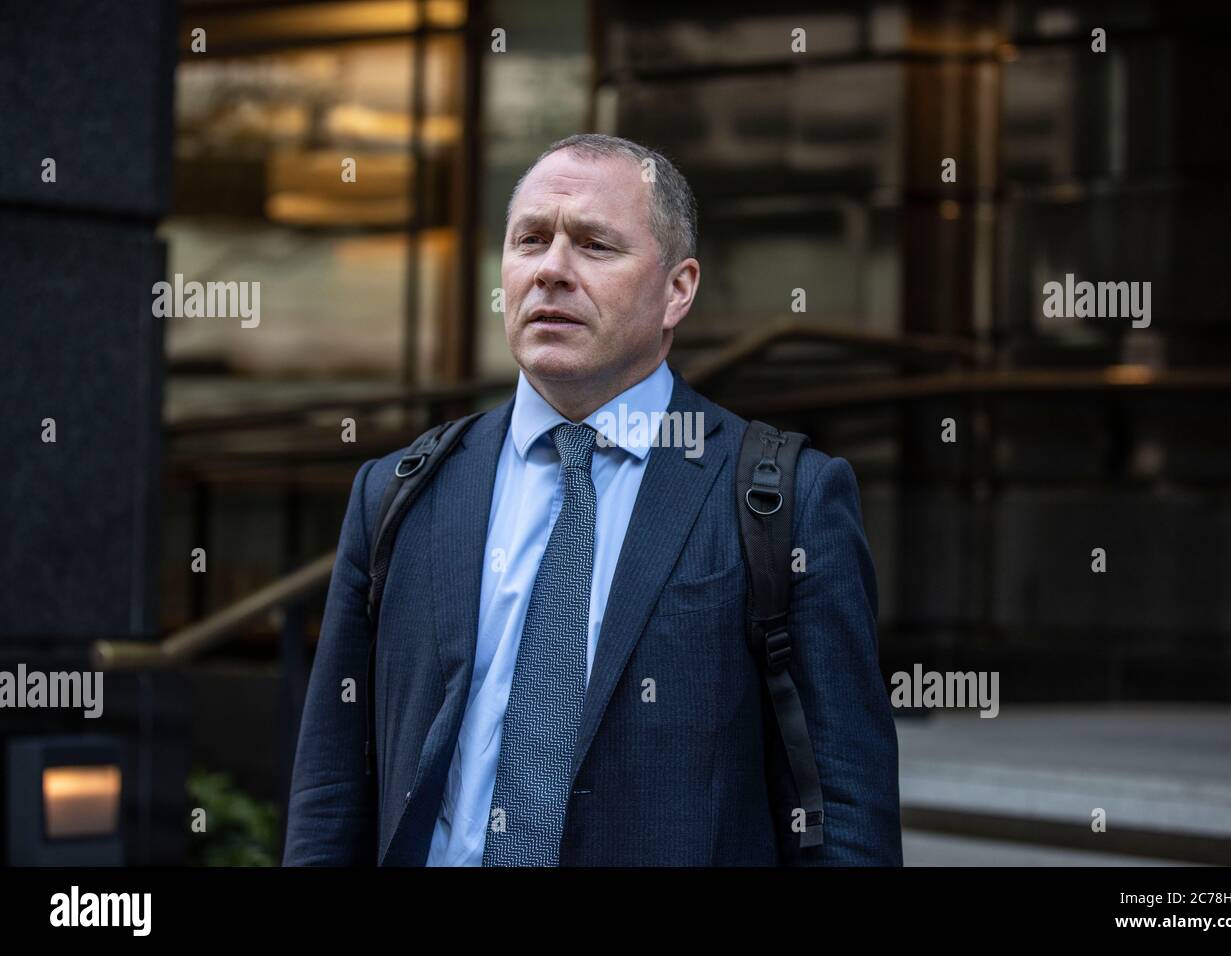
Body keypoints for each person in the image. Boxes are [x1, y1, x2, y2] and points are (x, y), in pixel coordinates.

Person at [283, 133, 902, 866]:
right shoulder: (398, 492)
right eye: (531, 240)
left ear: (678, 289)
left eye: (595, 246)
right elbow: (329, 787)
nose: (551, 271)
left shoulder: (785, 498)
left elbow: (848, 810)